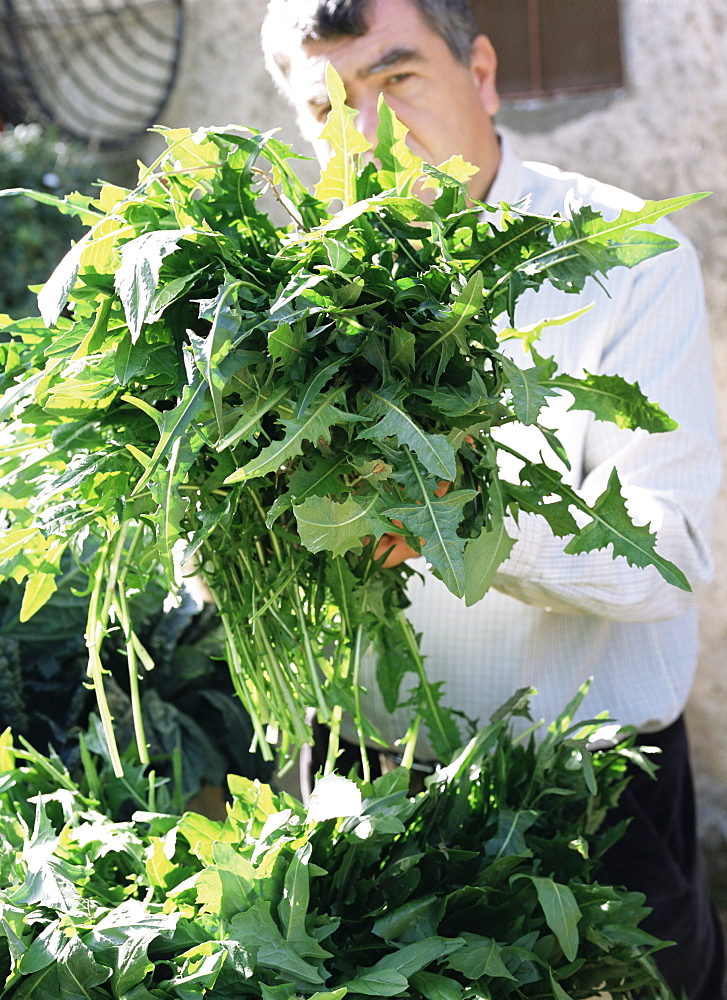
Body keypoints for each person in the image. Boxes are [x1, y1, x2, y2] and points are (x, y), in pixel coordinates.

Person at [260, 1, 725, 996]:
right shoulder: (276, 312)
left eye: (398, 80)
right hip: (361, 791)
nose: (372, 132)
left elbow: (670, 547)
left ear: (480, 72)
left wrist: (450, 511)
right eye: (329, 104)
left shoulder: (626, 262)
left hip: (588, 810)